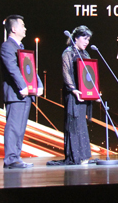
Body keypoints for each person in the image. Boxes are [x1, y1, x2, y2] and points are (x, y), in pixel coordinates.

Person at [0, 15, 43, 169]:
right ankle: (11, 159)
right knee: (13, 127)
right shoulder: (7, 46)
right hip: (16, 94)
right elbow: (12, 68)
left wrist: (38, 85)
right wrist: (22, 86)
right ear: (13, 29)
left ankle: (16, 157)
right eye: (22, 25)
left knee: (20, 128)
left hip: (26, 94)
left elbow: (30, 67)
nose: (25, 28)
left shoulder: (21, 46)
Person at [47, 25, 94, 166]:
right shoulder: (68, 52)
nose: (87, 42)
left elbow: (90, 74)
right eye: (84, 39)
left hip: (84, 93)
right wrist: (73, 89)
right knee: (73, 123)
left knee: (81, 124)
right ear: (76, 38)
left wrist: (93, 91)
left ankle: (84, 156)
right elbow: (66, 72)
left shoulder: (85, 54)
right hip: (73, 93)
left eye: (88, 39)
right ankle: (75, 156)